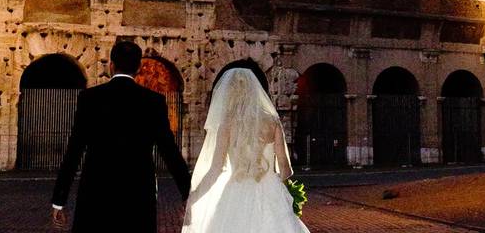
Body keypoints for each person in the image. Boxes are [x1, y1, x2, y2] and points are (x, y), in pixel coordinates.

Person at [51, 41, 190, 232]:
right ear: (139, 67)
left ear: (112, 65)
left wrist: (59, 199)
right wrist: (187, 193)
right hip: (138, 192)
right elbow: (170, 152)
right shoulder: (154, 102)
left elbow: (74, 151)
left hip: (96, 190)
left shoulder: (90, 99)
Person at [182, 67, 310, 233]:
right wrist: (285, 192)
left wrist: (194, 197)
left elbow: (215, 169)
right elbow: (285, 167)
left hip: (235, 193)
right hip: (271, 193)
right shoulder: (272, 122)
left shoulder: (226, 124)